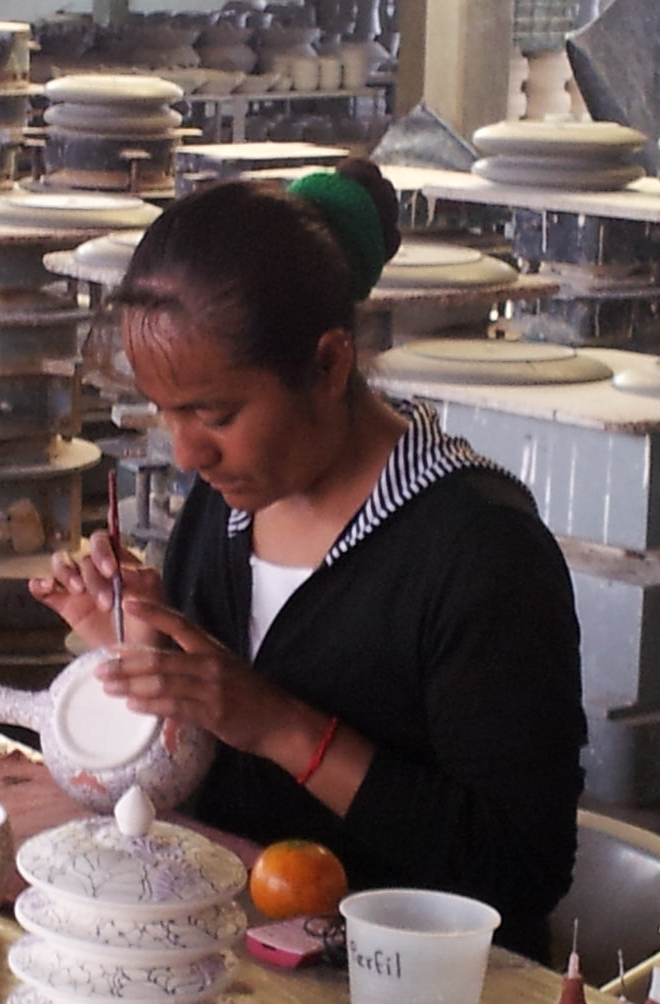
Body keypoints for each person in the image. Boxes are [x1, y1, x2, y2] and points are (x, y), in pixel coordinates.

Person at [29, 159, 587, 960]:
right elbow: (208, 791)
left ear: (327, 365)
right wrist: (138, 662)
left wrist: (282, 727)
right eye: (166, 414)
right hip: (237, 956)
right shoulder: (225, 509)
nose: (186, 452)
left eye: (213, 413)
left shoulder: (480, 551)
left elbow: (518, 871)